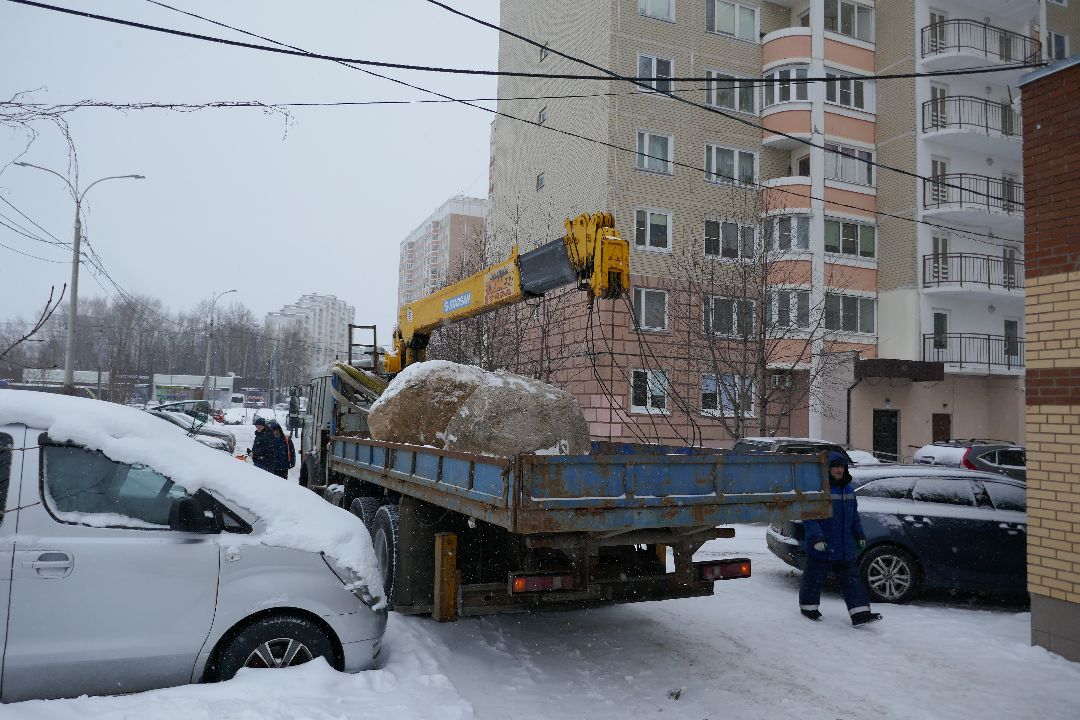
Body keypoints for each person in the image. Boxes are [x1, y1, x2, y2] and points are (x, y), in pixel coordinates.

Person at [799, 451, 882, 627]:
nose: (839, 469)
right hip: (824, 544)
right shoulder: (819, 489)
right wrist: (817, 539)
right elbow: (809, 517)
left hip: (845, 546)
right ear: (827, 469)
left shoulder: (849, 490)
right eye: (835, 466)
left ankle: (860, 613)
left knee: (852, 579)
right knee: (814, 578)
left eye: (842, 466)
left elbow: (854, 517)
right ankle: (808, 607)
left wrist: (859, 534)